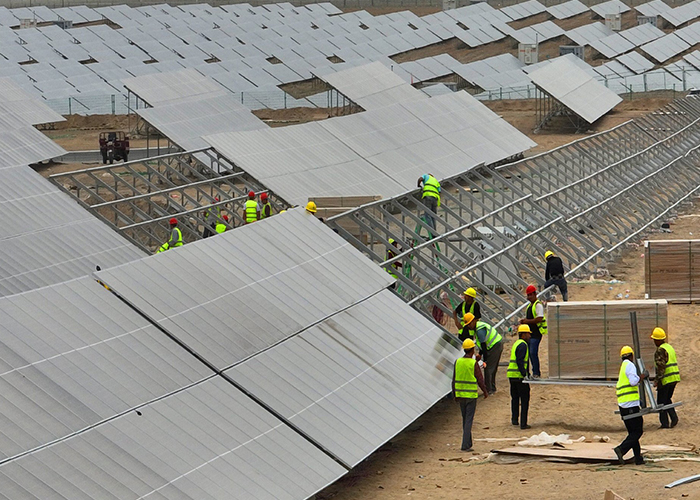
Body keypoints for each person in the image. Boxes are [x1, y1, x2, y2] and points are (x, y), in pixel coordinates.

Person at [453, 338, 489, 452]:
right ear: (472, 350)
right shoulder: (473, 363)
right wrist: (485, 391)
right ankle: (465, 445)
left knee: (465, 419)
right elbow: (479, 379)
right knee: (468, 420)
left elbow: (453, 380)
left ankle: (468, 443)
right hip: (471, 396)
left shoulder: (458, 362)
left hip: (460, 395)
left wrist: (455, 394)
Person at [613, 346, 646, 465]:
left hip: (624, 405)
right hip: (630, 405)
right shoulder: (630, 365)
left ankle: (638, 458)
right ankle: (621, 449)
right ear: (631, 355)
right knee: (637, 431)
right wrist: (641, 377)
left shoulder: (623, 367)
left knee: (633, 432)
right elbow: (633, 382)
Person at [463, 314, 503, 395]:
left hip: (494, 346)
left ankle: (489, 390)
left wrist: (485, 359)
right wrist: (480, 354)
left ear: (474, 320)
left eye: (469, 324)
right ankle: (491, 388)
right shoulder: (478, 327)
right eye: (467, 325)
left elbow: (483, 344)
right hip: (495, 345)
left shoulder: (479, 329)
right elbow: (483, 344)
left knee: (488, 368)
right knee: (491, 368)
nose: (469, 326)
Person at [651, 327, 680, 429]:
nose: (654, 341)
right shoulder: (669, 347)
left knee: (661, 402)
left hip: (666, 379)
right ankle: (674, 417)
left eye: (655, 339)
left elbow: (661, 367)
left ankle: (665, 424)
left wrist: (657, 380)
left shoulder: (660, 350)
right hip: (674, 377)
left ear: (658, 340)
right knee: (667, 399)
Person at [519, 284, 546, 379]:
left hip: (536, 333)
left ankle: (536, 373)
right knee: (530, 353)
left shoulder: (538, 305)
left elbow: (539, 318)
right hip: (530, 334)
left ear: (535, 294)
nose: (529, 297)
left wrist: (527, 321)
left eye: (530, 295)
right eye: (528, 295)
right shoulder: (530, 306)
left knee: (533, 352)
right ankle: (531, 372)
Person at [508, 324, 531, 429]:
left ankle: (514, 419)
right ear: (523, 334)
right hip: (519, 377)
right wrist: (524, 374)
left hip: (512, 376)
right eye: (528, 334)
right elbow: (520, 360)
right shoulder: (523, 345)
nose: (529, 336)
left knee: (515, 398)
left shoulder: (516, 343)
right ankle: (523, 423)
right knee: (525, 399)